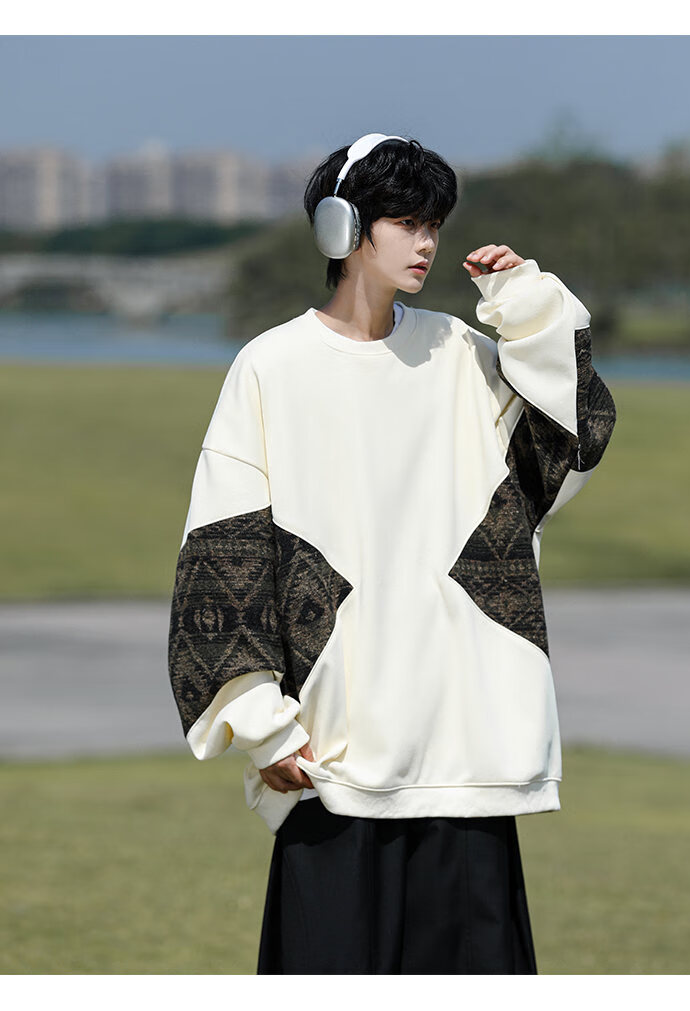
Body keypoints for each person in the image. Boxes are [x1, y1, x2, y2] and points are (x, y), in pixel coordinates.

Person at [167, 133, 617, 974]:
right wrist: (262, 724)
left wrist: (527, 310)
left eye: (433, 224)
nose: (426, 243)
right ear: (342, 227)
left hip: (468, 751)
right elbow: (224, 552)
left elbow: (568, 448)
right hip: (335, 757)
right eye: (406, 222)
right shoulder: (271, 366)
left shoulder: (459, 352)